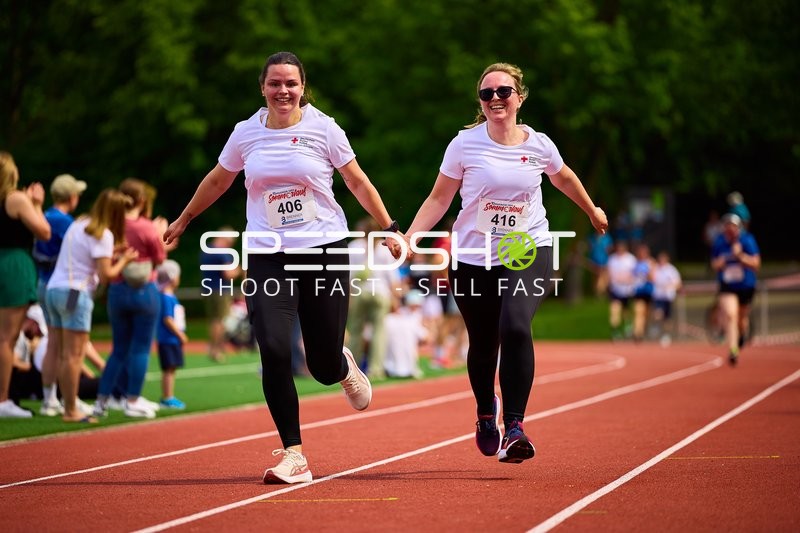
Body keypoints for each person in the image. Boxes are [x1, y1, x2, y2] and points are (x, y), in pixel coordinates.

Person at [163, 51, 402, 484]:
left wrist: (389, 226)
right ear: (263, 88)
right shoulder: (245, 133)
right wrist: (184, 219)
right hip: (268, 253)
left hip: (324, 250)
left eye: (291, 83)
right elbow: (219, 179)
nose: (283, 91)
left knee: (322, 365)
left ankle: (342, 366)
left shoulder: (324, 128)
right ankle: (295, 455)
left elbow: (356, 180)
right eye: (275, 83)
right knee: (273, 347)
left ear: (303, 86)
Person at [393, 63, 607, 463]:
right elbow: (440, 199)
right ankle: (485, 413)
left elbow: (563, 178)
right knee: (484, 343)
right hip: (474, 255)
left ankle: (515, 427)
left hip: (527, 248)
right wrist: (410, 238)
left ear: (519, 97)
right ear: (480, 102)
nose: (495, 99)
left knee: (514, 325)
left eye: (504, 92)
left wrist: (592, 209)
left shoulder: (539, 144)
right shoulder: (464, 145)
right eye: (487, 94)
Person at [46, 188, 137, 422]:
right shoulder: (103, 234)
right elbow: (106, 275)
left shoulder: (80, 224)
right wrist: (125, 260)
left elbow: (83, 255)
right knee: (73, 356)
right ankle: (70, 409)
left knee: (56, 350)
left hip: (54, 289)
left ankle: (52, 401)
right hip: (76, 292)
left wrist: (113, 253)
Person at [93, 178, 167, 419]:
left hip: (116, 289)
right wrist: (159, 233)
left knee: (118, 349)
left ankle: (102, 401)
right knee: (141, 349)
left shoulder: (110, 224)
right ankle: (132, 399)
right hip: (144, 290)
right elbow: (160, 257)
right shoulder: (146, 227)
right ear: (142, 200)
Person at [0, 152, 51, 418]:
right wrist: (37, 204)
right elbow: (44, 232)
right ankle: (3, 400)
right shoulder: (15, 198)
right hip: (14, 264)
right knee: (7, 338)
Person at [33, 173, 88, 416]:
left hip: (44, 284)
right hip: (68, 285)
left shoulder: (42, 216)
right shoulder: (67, 223)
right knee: (70, 349)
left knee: (53, 342)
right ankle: (70, 401)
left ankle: (49, 400)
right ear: (71, 196)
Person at [346, 217, 400, 380]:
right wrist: (396, 298)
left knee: (355, 332)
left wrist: (348, 298)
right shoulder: (385, 249)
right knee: (379, 332)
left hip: (359, 292)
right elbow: (392, 276)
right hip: (380, 292)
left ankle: (352, 371)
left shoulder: (353, 246)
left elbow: (347, 276)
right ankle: (375, 369)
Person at [710, 213, 760, 366]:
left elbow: (756, 264)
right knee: (730, 315)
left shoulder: (747, 240)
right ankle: (733, 350)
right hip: (727, 285)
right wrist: (719, 263)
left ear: (738, 228)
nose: (729, 229)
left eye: (732, 226)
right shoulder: (719, 242)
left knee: (741, 319)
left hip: (746, 285)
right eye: (727, 226)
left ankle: (742, 335)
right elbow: (714, 263)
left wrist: (740, 256)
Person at [199, 228, 241, 362]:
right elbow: (229, 274)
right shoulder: (223, 253)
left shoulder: (206, 249)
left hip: (208, 288)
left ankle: (212, 347)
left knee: (213, 320)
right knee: (221, 321)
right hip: (221, 290)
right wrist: (239, 269)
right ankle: (216, 349)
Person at [155, 259, 187, 410]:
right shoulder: (166, 297)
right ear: (173, 277)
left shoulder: (169, 296)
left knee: (171, 368)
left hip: (171, 339)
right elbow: (168, 319)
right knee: (169, 368)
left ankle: (168, 396)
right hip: (169, 339)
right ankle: (167, 397)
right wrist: (179, 334)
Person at [383, 290, 428, 379]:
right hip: (409, 369)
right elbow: (426, 338)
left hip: (388, 368)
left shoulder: (386, 320)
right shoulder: (411, 320)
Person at [606, 240, 637, 340]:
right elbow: (608, 273)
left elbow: (635, 274)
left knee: (625, 311)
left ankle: (628, 325)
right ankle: (615, 330)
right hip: (615, 289)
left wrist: (627, 279)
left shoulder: (631, 259)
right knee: (614, 309)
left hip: (627, 290)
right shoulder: (612, 260)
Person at [651, 251, 682, 346]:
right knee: (658, 313)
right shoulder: (656, 268)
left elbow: (678, 283)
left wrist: (670, 286)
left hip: (668, 297)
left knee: (667, 318)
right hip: (658, 296)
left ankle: (666, 335)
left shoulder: (671, 270)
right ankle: (656, 327)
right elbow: (650, 278)